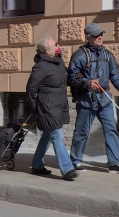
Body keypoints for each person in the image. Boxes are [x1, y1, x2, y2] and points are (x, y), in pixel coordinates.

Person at [68, 23, 119, 174]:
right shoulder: (80, 55)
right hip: (86, 99)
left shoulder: (107, 54)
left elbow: (116, 75)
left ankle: (115, 163)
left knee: (111, 129)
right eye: (96, 35)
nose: (100, 37)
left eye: (101, 34)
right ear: (88, 37)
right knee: (82, 132)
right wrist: (87, 83)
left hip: (104, 99)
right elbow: (72, 77)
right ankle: (75, 161)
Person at [26, 36, 79, 181]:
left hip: (59, 105)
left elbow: (66, 79)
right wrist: (35, 109)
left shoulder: (59, 62)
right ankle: (67, 169)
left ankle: (37, 165)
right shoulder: (40, 67)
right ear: (47, 51)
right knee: (57, 136)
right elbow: (31, 89)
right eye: (55, 45)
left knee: (47, 136)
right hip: (47, 107)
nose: (58, 46)